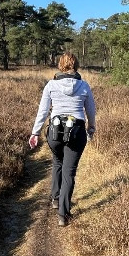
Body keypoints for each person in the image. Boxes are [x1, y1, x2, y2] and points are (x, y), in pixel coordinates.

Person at [29, 52, 96, 226]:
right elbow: (91, 111)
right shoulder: (84, 85)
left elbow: (43, 111)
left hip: (55, 132)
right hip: (77, 132)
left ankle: (55, 198)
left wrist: (35, 133)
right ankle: (63, 215)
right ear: (76, 65)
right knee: (69, 171)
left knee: (58, 162)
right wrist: (91, 129)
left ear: (60, 65)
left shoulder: (51, 85)